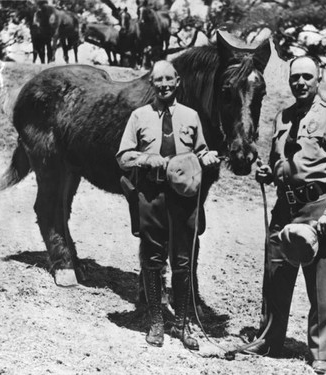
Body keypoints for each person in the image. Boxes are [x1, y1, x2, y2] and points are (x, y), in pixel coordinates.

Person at [252, 56, 326, 374]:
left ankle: (322, 350)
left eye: (306, 77)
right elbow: (278, 162)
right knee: (275, 278)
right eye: (295, 77)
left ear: (318, 79)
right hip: (285, 207)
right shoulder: (283, 117)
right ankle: (270, 340)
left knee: (320, 287)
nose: (300, 82)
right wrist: (267, 173)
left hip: (318, 207)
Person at [116, 60, 219, 350]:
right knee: (152, 258)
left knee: (183, 260)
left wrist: (207, 157)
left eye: (168, 79)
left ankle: (183, 322)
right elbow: (122, 157)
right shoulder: (139, 116)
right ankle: (156, 321)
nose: (163, 85)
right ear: (152, 84)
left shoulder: (191, 116)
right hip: (151, 193)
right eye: (157, 80)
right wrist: (146, 158)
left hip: (184, 196)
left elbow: (201, 150)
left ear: (177, 82)